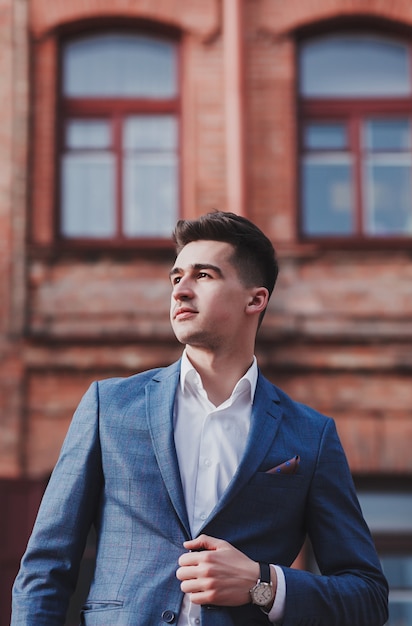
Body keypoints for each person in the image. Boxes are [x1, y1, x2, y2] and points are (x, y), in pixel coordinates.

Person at [11, 211, 388, 626]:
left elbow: (367, 598)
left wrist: (264, 585)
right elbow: (45, 568)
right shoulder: (110, 406)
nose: (181, 291)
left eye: (203, 276)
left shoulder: (310, 435)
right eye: (176, 278)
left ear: (255, 299)